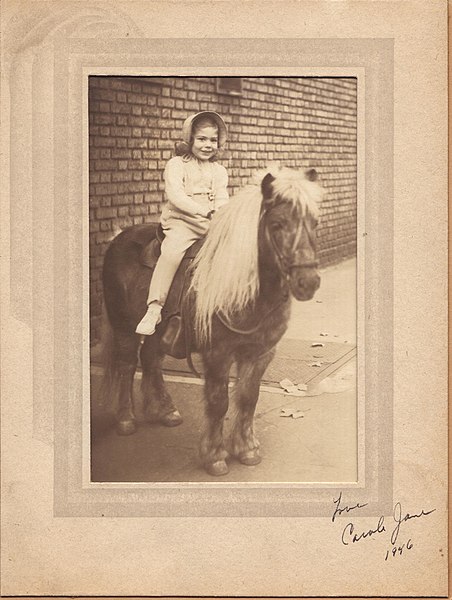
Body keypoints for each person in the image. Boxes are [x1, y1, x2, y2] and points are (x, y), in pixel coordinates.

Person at [135, 111, 229, 335]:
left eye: (213, 140)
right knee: (172, 252)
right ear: (190, 140)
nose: (207, 145)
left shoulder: (219, 170)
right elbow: (176, 196)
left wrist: (221, 213)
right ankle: (155, 307)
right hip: (181, 221)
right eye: (202, 139)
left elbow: (221, 196)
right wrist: (203, 211)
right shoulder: (177, 164)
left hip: (209, 222)